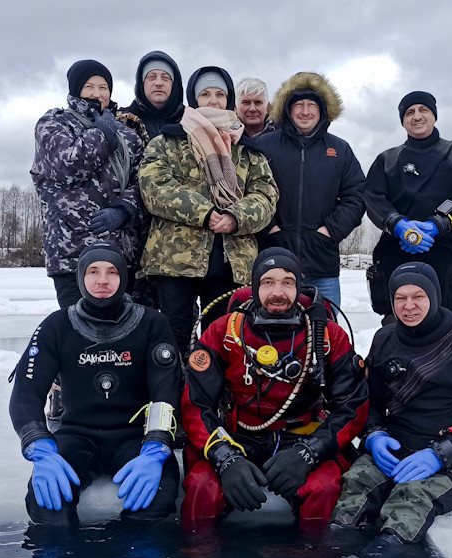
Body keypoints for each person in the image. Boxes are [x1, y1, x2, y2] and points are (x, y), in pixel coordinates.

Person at [180, 248, 369, 530]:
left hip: (303, 438)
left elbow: (352, 406)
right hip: (238, 437)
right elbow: (195, 404)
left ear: (299, 287)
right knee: (201, 488)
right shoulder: (224, 332)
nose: (277, 292)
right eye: (268, 282)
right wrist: (224, 458)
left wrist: (311, 452)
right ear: (255, 287)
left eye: (287, 282)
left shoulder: (327, 335)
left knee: (325, 489)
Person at [331, 262, 452, 543]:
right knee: (354, 490)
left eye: (418, 297)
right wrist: (374, 436)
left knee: (411, 501)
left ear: (435, 297)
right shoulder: (384, 338)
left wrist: (443, 452)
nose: (409, 306)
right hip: (395, 450)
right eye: (400, 298)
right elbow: (370, 401)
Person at [9, 243, 182, 526]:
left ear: (124, 278)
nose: (102, 280)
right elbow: (26, 392)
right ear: (80, 278)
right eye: (93, 272)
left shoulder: (152, 323)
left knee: (156, 503)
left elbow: (166, 390)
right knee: (46, 508)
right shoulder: (57, 326)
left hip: (136, 439)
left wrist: (157, 446)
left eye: (112, 272)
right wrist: (39, 446)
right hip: (77, 436)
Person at [137, 66, 278, 358]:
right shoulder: (167, 142)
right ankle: (173, 400)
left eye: (219, 94)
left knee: (224, 343)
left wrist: (236, 217)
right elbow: (154, 187)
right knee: (173, 344)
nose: (212, 101)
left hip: (231, 265)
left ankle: (216, 402)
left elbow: (266, 197)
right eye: (205, 94)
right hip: (174, 265)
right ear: (193, 98)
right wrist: (205, 213)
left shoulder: (249, 151)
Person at [31, 59, 144, 310]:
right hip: (72, 252)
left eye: (103, 87)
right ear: (75, 90)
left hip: (120, 254)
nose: (97, 93)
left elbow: (144, 182)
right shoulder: (53, 123)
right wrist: (101, 134)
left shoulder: (128, 134)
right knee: (77, 330)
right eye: (89, 86)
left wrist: (124, 210)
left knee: (124, 332)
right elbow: (68, 167)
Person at [364, 91, 452, 321]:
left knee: (443, 321)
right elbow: (373, 198)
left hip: (443, 252)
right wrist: (398, 225)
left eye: (423, 110)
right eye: (409, 112)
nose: (416, 116)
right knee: (394, 320)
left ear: (434, 115)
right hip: (394, 252)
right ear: (403, 120)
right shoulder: (387, 159)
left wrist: (438, 224)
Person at [258, 72, 366, 309]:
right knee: (274, 335)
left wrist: (329, 230)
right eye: (298, 105)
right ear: (287, 109)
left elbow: (356, 195)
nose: (305, 111)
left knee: (326, 334)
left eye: (311, 105)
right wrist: (270, 229)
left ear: (323, 110)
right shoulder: (264, 146)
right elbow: (246, 191)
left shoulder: (340, 150)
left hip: (322, 265)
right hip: (272, 263)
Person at [117, 51, 186, 308]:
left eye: (165, 77)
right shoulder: (120, 121)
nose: (158, 82)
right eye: (152, 77)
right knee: (132, 312)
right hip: (132, 236)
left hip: (179, 241)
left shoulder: (192, 121)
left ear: (175, 84)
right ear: (141, 83)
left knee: (176, 316)